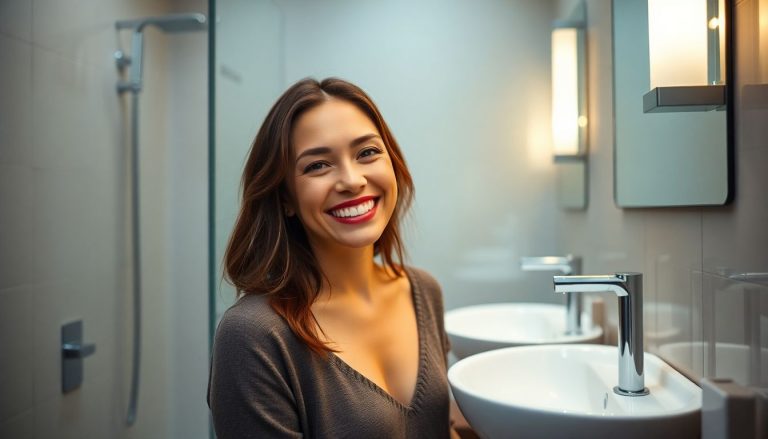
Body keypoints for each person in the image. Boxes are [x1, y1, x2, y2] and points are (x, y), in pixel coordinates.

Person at [207, 77, 456, 438]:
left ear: (393, 164)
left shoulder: (423, 291)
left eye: (367, 152)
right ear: (286, 199)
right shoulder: (253, 336)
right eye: (317, 166)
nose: (352, 180)